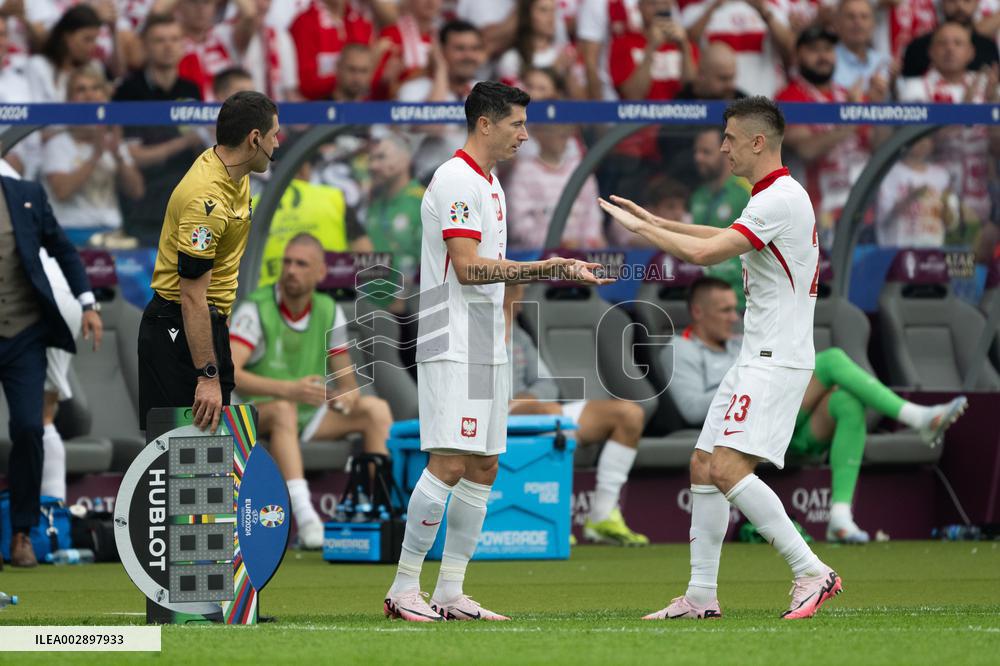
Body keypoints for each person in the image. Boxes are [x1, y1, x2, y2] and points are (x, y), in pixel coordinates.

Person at [599, 96, 838, 620]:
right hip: (758, 354)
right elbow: (720, 238)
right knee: (704, 465)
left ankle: (811, 571)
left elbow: (706, 255)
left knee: (727, 468)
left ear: (758, 141)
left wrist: (645, 233)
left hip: (775, 359)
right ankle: (701, 597)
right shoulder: (772, 196)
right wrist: (660, 220)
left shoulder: (779, 198)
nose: (723, 147)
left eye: (729, 138)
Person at [383, 81, 609, 623]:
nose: (525, 135)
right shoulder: (457, 180)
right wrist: (544, 267)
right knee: (449, 460)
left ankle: (450, 592)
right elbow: (467, 267)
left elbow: (492, 279)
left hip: (484, 342)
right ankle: (403, 587)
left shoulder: (490, 183)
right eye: (516, 124)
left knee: (483, 465)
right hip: (451, 340)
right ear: (485, 123)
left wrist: (504, 327)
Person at [667, 277, 969, 544]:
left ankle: (839, 516)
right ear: (698, 312)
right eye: (725, 310)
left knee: (846, 403)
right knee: (832, 360)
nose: (735, 318)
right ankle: (917, 417)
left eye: (736, 308)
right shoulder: (680, 349)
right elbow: (692, 409)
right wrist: (739, 384)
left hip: (781, 428)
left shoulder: (740, 345)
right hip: (741, 434)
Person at [230, 233, 393, 549]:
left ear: (320, 273)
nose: (291, 270)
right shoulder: (255, 309)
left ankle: (376, 512)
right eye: (287, 262)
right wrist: (289, 390)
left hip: (307, 414)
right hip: (253, 414)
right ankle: (305, 519)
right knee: (283, 410)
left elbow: (348, 383)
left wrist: (343, 398)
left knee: (376, 410)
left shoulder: (329, 309)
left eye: (301, 264)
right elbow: (231, 374)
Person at [138, 91, 279, 434]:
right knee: (175, 453)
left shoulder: (237, 170)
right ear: (254, 139)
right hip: (176, 328)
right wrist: (207, 375)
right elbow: (191, 297)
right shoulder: (206, 201)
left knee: (211, 458)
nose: (278, 144)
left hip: (209, 326)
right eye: (274, 135)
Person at [0, 173, 103, 568]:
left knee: (29, 427)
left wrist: (88, 303)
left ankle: (22, 533)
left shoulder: (25, 195)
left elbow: (61, 247)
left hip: (24, 331)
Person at [505, 283, 648, 546]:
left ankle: (602, 516)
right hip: (488, 419)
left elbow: (548, 385)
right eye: (516, 294)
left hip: (537, 411)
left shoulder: (518, 334)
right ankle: (547, 518)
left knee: (628, 414)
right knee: (550, 412)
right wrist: (517, 404)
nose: (521, 304)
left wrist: (528, 400)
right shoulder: (472, 331)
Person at [776, 25, 883, 249]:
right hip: (816, 214)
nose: (823, 56)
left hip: (862, 210)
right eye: (814, 49)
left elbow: (877, 144)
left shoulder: (847, 95)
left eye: (828, 49)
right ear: (798, 55)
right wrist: (852, 118)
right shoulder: (788, 97)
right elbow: (806, 149)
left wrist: (878, 108)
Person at [113, 13, 205, 246]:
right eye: (160, 40)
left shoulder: (191, 89)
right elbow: (131, 156)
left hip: (186, 204)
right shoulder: (129, 91)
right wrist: (184, 142)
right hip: (143, 205)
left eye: (174, 40)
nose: (168, 47)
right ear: (145, 46)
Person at [897, 21, 998, 224]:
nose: (950, 48)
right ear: (931, 52)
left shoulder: (988, 87)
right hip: (931, 203)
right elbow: (916, 149)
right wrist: (964, 112)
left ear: (971, 52)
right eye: (943, 43)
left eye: (957, 43)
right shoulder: (915, 89)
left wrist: (993, 108)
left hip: (981, 199)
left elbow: (996, 151)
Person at [42, 65, 144, 248]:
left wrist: (119, 157)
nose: (90, 96)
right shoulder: (58, 144)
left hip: (113, 233)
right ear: (69, 100)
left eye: (96, 89)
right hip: (71, 235)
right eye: (81, 90)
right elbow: (61, 192)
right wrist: (95, 156)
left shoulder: (113, 142)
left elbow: (136, 191)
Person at [256, 156, 371, 288]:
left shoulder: (254, 206)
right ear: (304, 168)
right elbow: (364, 252)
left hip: (270, 299)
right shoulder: (333, 199)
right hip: (331, 296)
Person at [688, 127, 750, 309]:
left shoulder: (747, 192)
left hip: (741, 302)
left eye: (706, 152)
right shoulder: (698, 197)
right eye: (696, 152)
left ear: (726, 151)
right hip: (704, 298)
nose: (698, 158)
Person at [680, 0, 795, 97]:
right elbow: (688, 45)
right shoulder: (694, 11)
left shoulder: (772, 10)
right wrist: (713, 8)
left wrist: (764, 13)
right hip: (716, 102)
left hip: (763, 100)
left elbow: (791, 50)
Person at [875, 135, 966, 248]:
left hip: (933, 252)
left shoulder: (942, 175)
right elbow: (884, 217)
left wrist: (947, 207)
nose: (922, 142)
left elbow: (952, 223)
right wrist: (910, 198)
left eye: (926, 138)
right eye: (918, 138)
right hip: (896, 252)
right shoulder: (890, 173)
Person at [366, 133, 425, 278]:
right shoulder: (375, 203)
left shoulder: (422, 200)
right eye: (371, 159)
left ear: (405, 159)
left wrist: (401, 296)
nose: (373, 166)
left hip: (414, 296)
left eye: (381, 157)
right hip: (375, 294)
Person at [290, 0, 374, 100]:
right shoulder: (305, 23)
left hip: (360, 107)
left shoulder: (361, 22)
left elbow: (365, 79)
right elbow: (306, 85)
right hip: (317, 108)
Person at [25, 4, 103, 104]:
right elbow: (36, 111)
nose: (92, 46)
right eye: (87, 39)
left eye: (94, 40)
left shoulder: (94, 68)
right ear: (67, 37)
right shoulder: (39, 66)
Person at [902, 0, 999, 78]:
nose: (959, 6)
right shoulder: (918, 47)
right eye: (952, 1)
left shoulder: (988, 48)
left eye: (967, 1)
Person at [833, 0, 893, 91]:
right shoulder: (827, 61)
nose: (858, 22)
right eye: (850, 17)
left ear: (873, 24)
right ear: (837, 24)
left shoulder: (885, 62)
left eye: (864, 17)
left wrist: (894, 85)